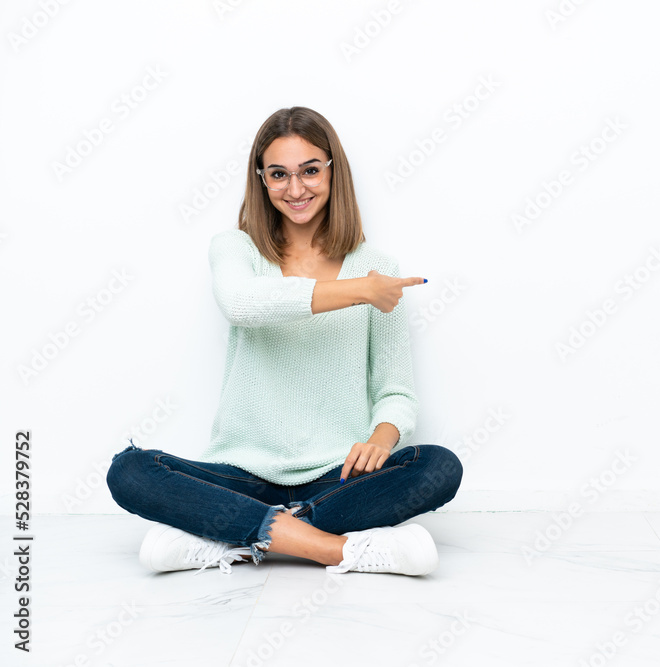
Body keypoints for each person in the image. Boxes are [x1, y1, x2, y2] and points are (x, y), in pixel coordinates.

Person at [106, 106, 462, 576]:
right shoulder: (237, 250)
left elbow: (396, 391)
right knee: (129, 471)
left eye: (310, 171)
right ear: (262, 180)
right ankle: (335, 549)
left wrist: (382, 437)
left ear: (334, 171)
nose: (296, 190)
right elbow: (243, 303)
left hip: (337, 477)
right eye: (279, 175)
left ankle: (232, 536)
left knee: (439, 466)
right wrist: (361, 291)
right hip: (241, 475)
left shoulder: (377, 266)